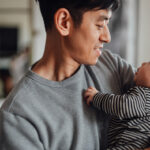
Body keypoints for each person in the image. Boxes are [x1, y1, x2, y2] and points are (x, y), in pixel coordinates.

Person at [0, 0, 139, 149]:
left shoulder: (111, 66)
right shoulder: (18, 115)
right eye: (100, 25)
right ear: (64, 22)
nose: (107, 37)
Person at [84, 62, 150, 149]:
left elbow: (124, 106)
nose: (143, 63)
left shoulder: (145, 95)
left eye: (148, 64)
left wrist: (96, 97)